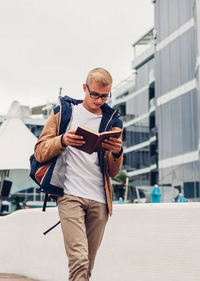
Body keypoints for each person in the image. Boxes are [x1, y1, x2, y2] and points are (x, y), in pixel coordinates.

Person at [33, 68, 123, 281]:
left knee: (87, 266)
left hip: (100, 200)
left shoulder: (113, 121)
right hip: (69, 193)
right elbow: (39, 151)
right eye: (95, 94)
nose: (100, 100)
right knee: (79, 261)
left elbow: (113, 171)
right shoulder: (64, 113)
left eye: (105, 95)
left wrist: (117, 152)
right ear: (85, 88)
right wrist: (62, 140)